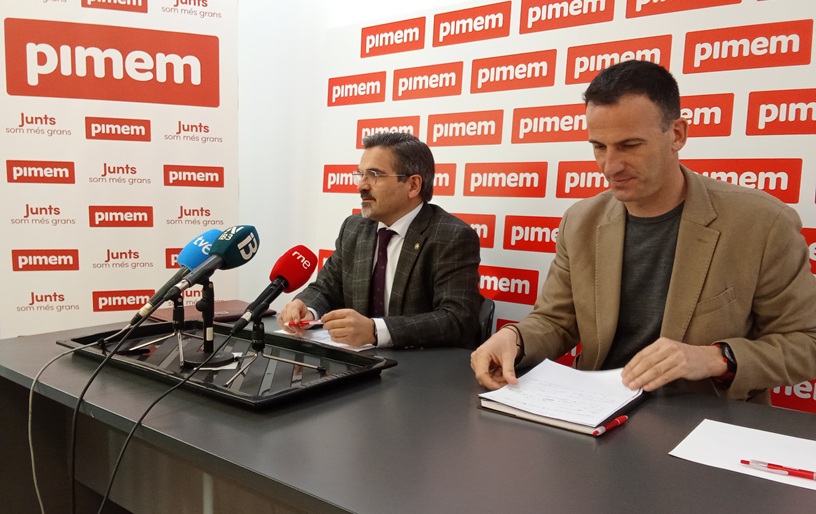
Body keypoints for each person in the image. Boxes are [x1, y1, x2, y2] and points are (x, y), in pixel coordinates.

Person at [471, 60, 816, 402]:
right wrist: (515, 338)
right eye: (599, 147)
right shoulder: (580, 221)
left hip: (703, 415)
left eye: (630, 145)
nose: (610, 166)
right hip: (592, 409)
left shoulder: (762, 222)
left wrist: (717, 358)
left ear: (677, 135)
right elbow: (556, 320)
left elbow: (807, 341)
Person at [278, 132, 483, 349]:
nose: (362, 186)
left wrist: (376, 331)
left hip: (419, 363)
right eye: (361, 175)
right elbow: (326, 288)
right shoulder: (354, 228)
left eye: (374, 175)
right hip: (358, 360)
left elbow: (457, 319)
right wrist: (306, 308)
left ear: (413, 185)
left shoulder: (451, 236)